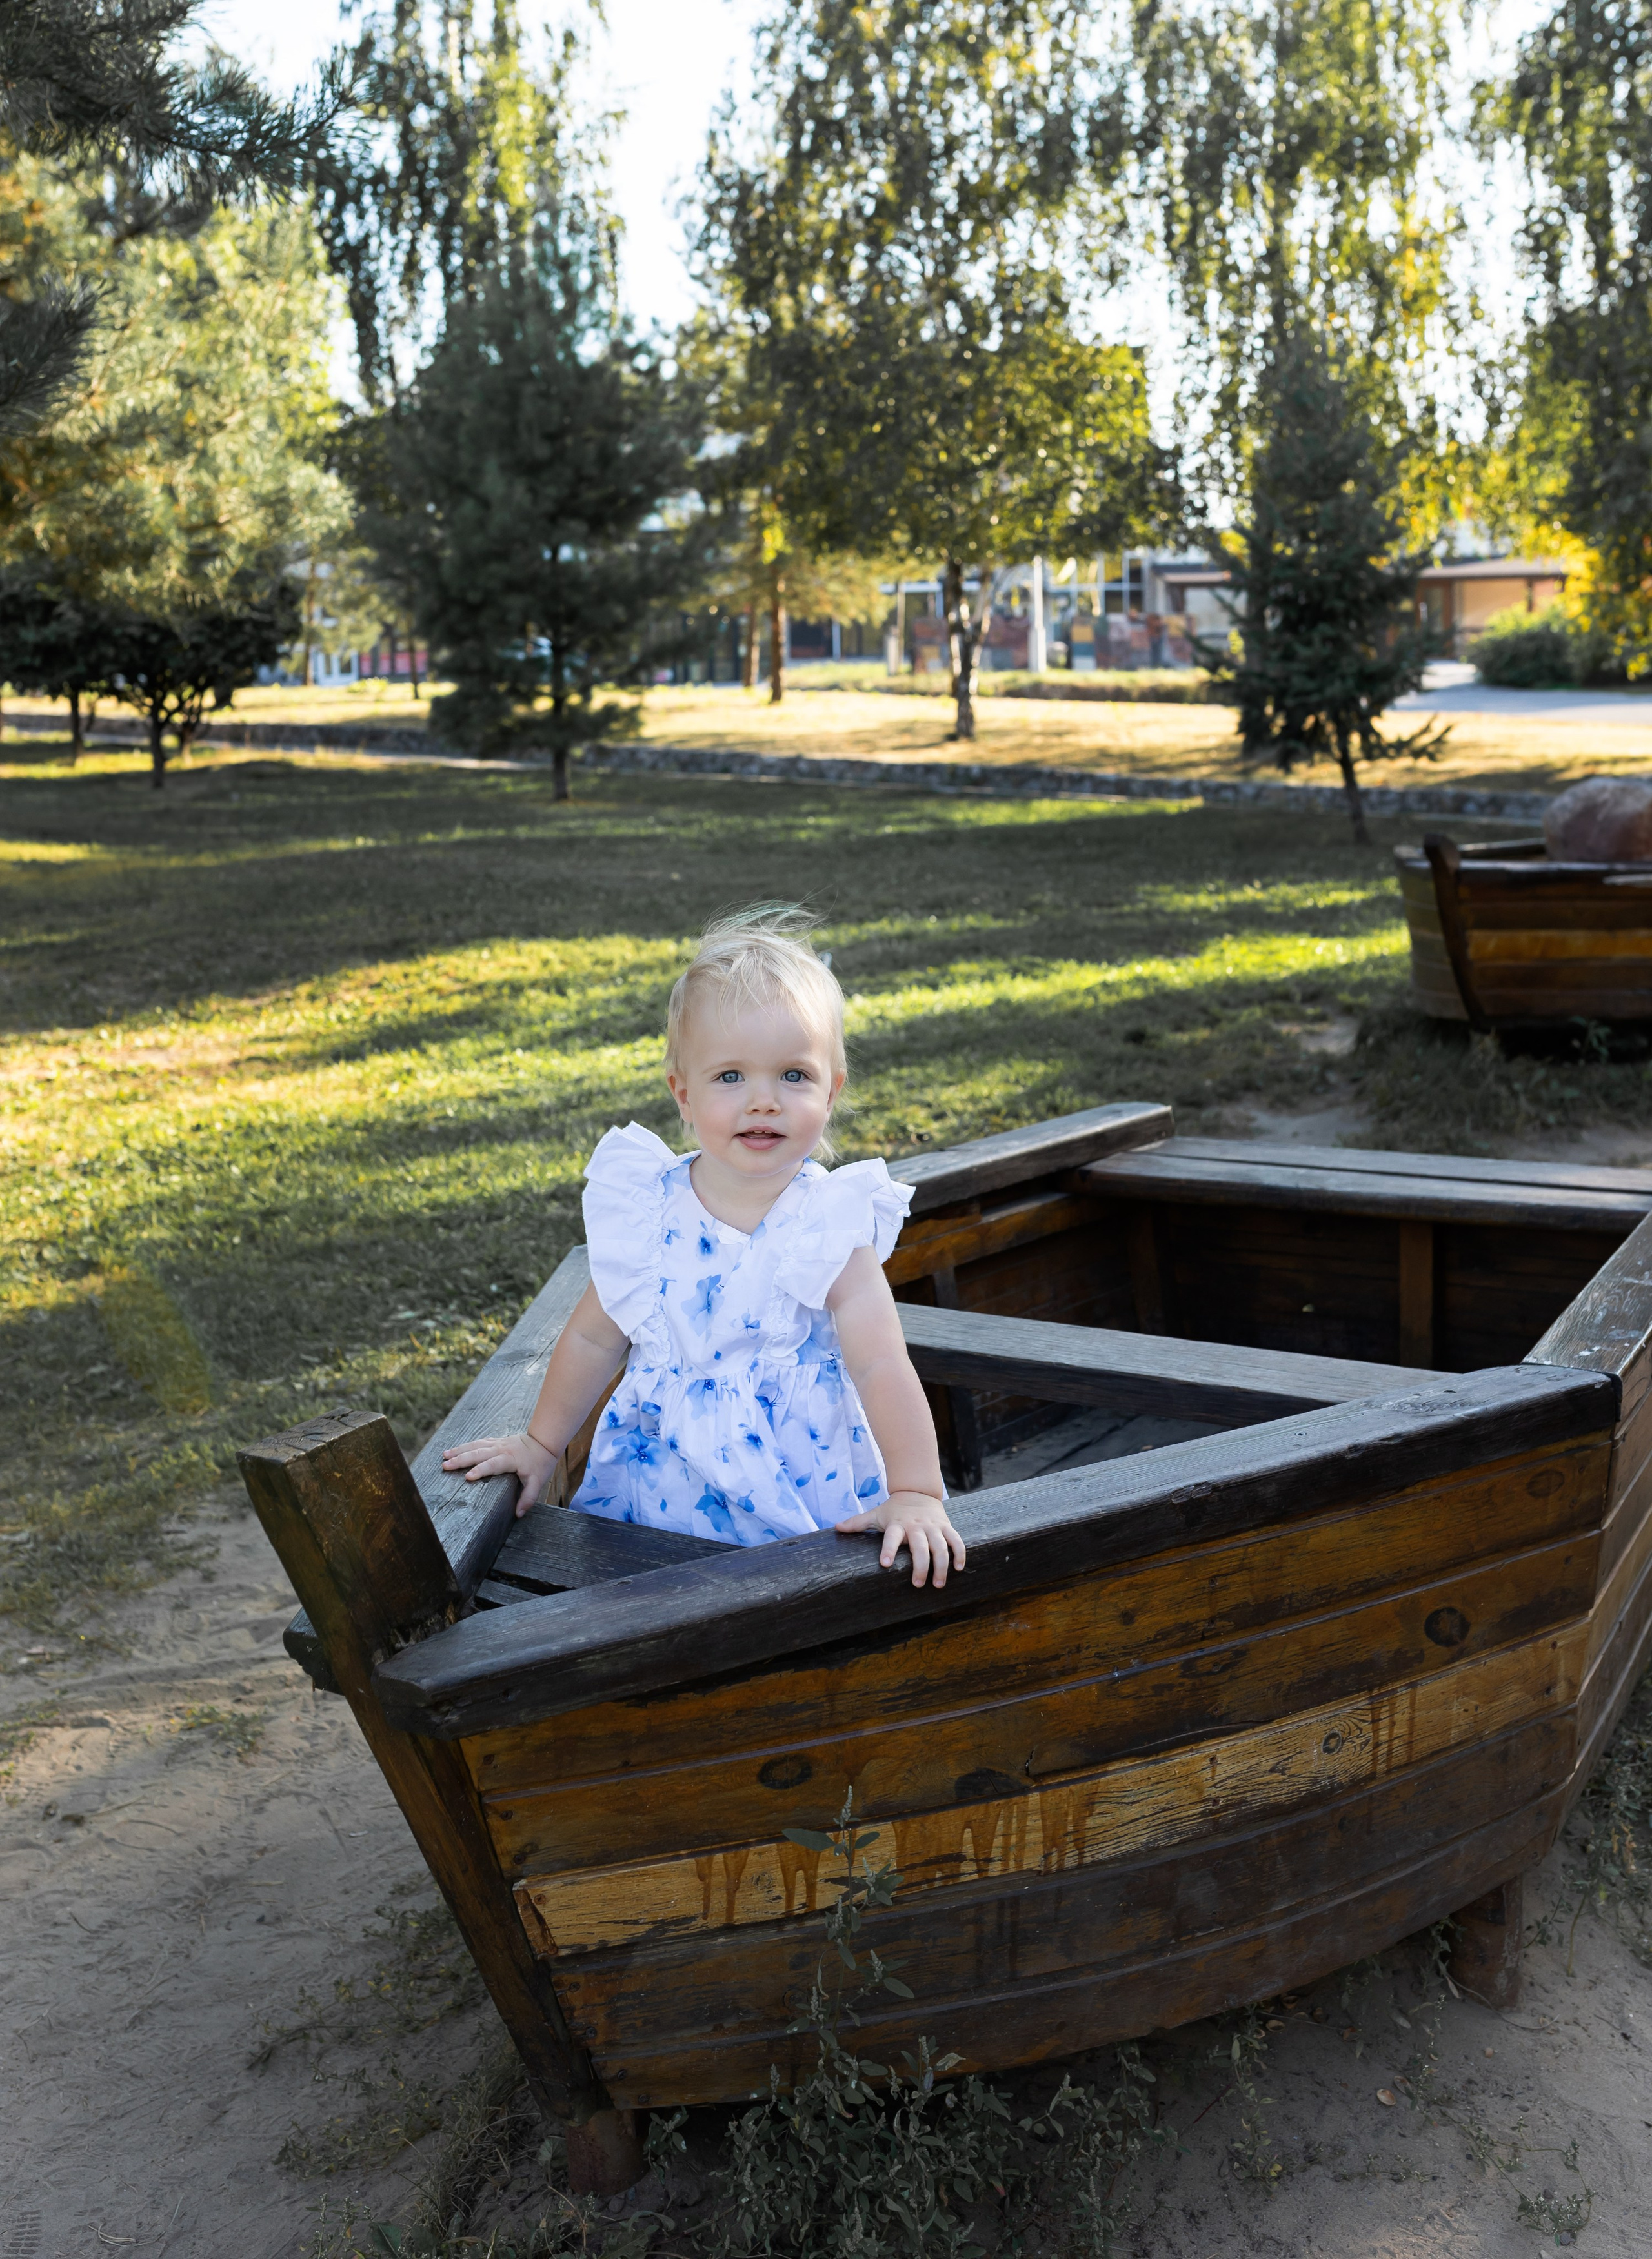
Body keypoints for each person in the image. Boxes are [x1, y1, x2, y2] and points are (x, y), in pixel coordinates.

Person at [441, 905, 965, 1588]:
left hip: (795, 1483)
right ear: (682, 1094)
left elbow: (879, 1365)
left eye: (793, 1075)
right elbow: (596, 1339)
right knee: (648, 1602)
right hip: (659, 1480)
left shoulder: (828, 1222)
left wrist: (918, 1489)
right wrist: (542, 1443)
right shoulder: (648, 1212)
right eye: (729, 1077)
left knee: (791, 1612)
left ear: (831, 1091)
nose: (762, 1101)